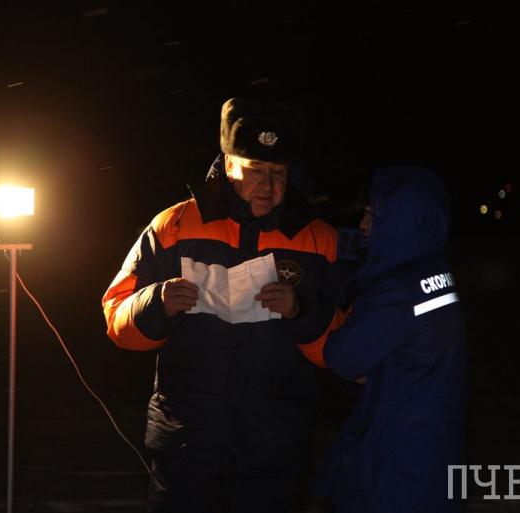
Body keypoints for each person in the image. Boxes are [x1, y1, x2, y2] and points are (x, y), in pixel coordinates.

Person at [101, 98, 344, 513]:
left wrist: (303, 312)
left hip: (274, 452)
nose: (267, 185)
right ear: (229, 164)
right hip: (186, 449)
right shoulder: (174, 226)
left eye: (278, 172)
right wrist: (156, 303)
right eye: (255, 170)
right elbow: (116, 319)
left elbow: (345, 347)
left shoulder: (319, 240)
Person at [315, 165, 467, 512]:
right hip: (432, 448)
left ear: (399, 222)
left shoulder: (396, 291)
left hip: (396, 464)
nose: (363, 225)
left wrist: (309, 311)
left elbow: (342, 357)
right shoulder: (435, 271)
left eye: (372, 215)